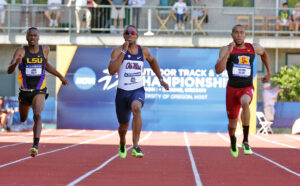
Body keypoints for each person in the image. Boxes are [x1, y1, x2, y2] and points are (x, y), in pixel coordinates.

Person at [108, 25, 169, 158]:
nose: (130, 35)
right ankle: (122, 141)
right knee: (123, 127)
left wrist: (160, 79)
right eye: (127, 33)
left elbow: (153, 62)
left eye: (133, 32)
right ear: (124, 35)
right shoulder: (117, 51)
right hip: (122, 92)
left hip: (137, 90)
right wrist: (123, 53)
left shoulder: (144, 51)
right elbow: (111, 71)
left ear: (137, 36)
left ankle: (136, 146)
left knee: (137, 108)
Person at [7, 27, 68, 157]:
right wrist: (15, 63)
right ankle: (28, 106)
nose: (32, 38)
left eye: (35, 35)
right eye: (30, 36)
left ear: (38, 37)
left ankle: (35, 145)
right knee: (23, 119)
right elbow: (9, 70)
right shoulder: (21, 51)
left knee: (38, 115)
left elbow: (46, 65)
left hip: (39, 90)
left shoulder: (44, 49)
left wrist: (60, 76)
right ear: (27, 38)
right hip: (25, 91)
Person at [215, 24, 272, 158]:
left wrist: (269, 72)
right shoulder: (225, 49)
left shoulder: (253, 48)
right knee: (232, 124)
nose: (239, 35)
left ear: (245, 35)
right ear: (232, 35)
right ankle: (233, 140)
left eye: (241, 33)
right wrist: (228, 52)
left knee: (246, 103)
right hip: (232, 90)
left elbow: (264, 54)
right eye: (236, 33)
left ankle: (245, 141)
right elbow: (218, 70)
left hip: (246, 87)